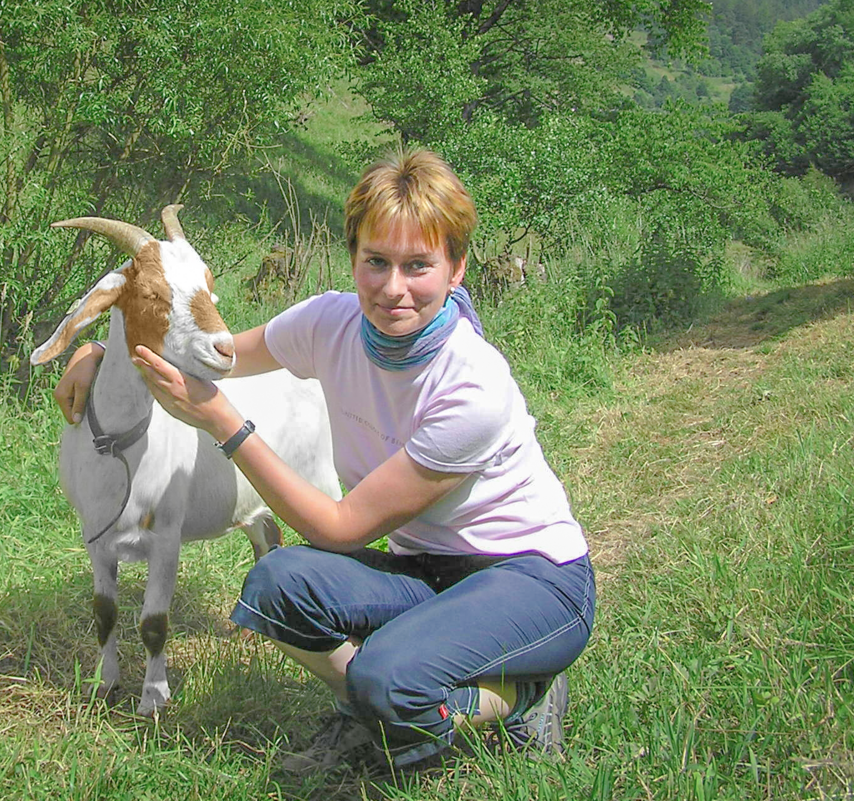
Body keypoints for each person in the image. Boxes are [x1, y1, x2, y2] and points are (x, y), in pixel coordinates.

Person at [52, 148, 595, 774]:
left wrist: (225, 423)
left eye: (418, 265)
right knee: (274, 585)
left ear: (456, 269)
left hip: (530, 579)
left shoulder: (472, 387)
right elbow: (217, 351)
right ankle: (379, 710)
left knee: (389, 680)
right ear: (355, 260)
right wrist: (96, 349)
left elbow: (336, 529)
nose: (394, 288)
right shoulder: (330, 322)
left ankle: (522, 693)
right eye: (377, 262)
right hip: (425, 568)